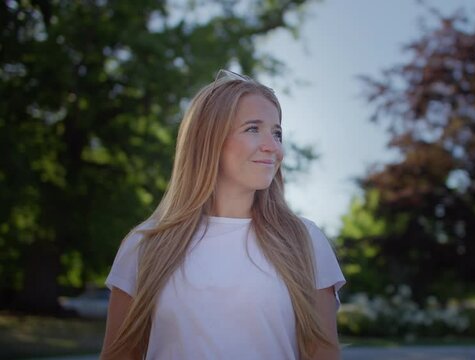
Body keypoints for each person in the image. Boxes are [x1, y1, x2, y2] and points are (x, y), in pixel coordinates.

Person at [100, 69, 346, 360]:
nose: (273, 147)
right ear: (209, 139)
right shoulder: (145, 244)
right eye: (253, 128)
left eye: (277, 132)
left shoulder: (305, 240)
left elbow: (322, 352)